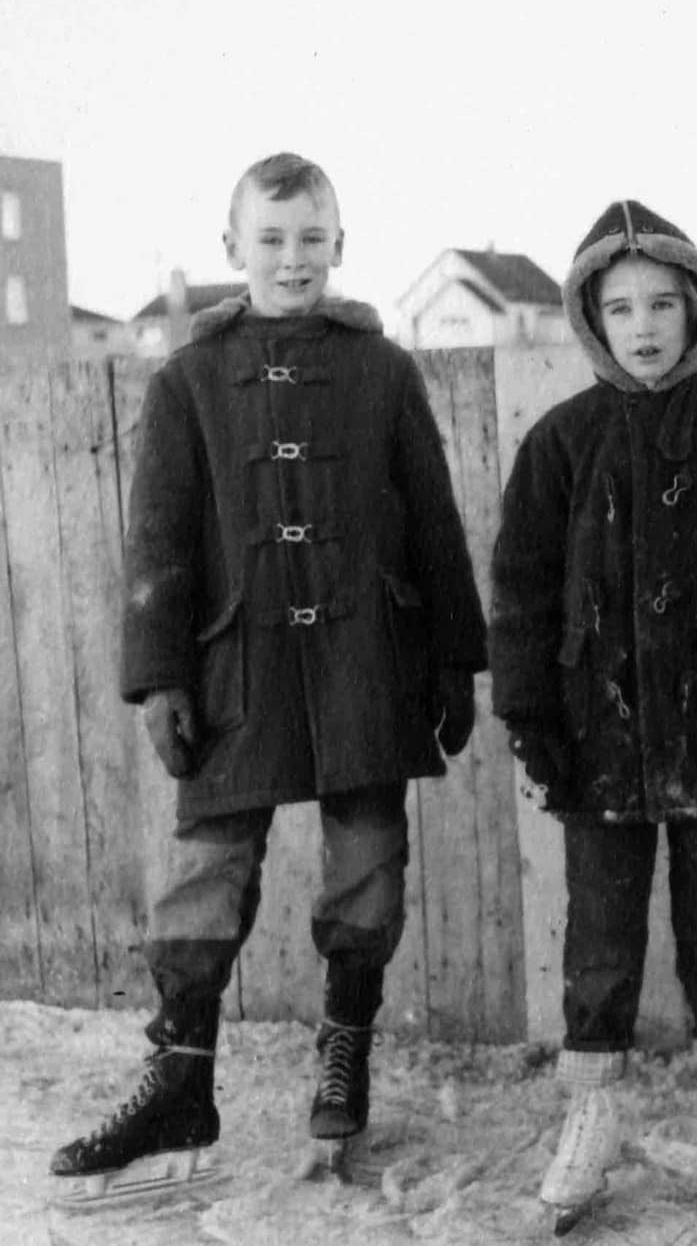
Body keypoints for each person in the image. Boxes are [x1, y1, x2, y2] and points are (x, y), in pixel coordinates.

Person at [50, 153, 486, 1193]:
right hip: (235, 658)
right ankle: (180, 1077)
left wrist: (454, 658)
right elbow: (157, 540)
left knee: (368, 859)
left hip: (364, 654)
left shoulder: (386, 371)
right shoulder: (189, 379)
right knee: (206, 866)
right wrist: (160, 678)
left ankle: (345, 1056)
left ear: (342, 243)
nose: (294, 259)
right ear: (232, 247)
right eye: (273, 238)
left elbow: (433, 518)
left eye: (313, 237)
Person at [489, 200, 697, 1219]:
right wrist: (532, 721)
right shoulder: (560, 442)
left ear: (696, 309)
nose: (643, 326)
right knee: (600, 929)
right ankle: (594, 1112)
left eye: (663, 304)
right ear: (591, 317)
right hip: (600, 739)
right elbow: (523, 592)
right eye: (621, 306)